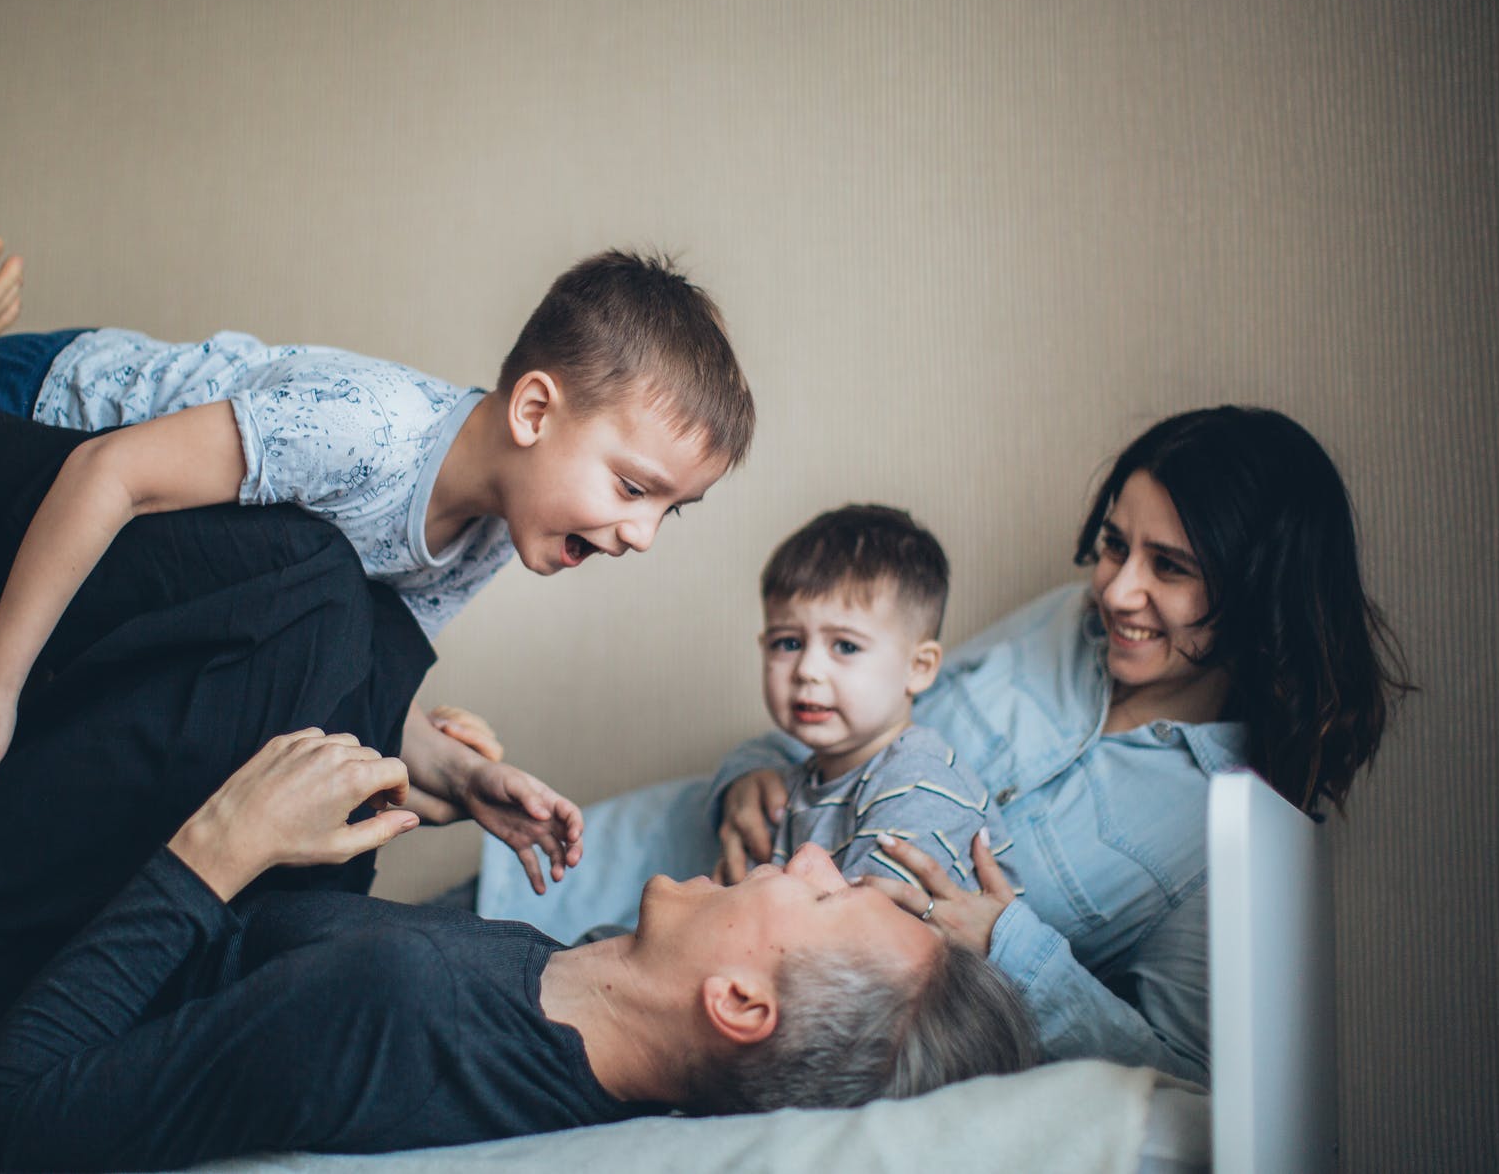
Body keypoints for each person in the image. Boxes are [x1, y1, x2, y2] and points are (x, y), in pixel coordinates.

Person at [0, 208, 753, 1046]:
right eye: (629, 486)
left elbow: (352, 678)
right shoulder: (370, 433)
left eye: (668, 509)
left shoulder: (476, 534)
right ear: (530, 411)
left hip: (108, 535)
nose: (641, 534)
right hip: (41, 420)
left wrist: (459, 777)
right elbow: (105, 474)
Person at [479, 406, 1411, 1086]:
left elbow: (1185, 1077)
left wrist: (1018, 950)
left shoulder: (1232, 823)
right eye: (1115, 545)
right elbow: (863, 705)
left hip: (712, 999)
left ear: (1258, 592)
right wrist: (745, 776)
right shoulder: (1059, 626)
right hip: (622, 858)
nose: (1118, 590)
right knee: (398, 945)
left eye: (1170, 568)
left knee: (440, 1031)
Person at [0, 727, 1040, 1172]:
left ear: (742, 1002)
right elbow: (258, 981)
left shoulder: (407, 1011)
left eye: (826, 895)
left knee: (307, 586)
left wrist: (213, 852)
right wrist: (421, 788)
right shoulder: (577, 995)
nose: (811, 857)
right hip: (60, 905)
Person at [743, 503, 1010, 887]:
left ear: (918, 668)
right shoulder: (800, 784)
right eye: (787, 642)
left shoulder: (918, 783)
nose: (807, 670)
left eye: (846, 647)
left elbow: (866, 934)